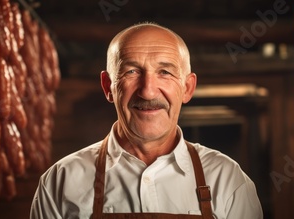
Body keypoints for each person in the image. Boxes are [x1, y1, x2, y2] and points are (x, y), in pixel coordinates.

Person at [30, 22, 263, 219]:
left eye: (165, 72)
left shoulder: (227, 178)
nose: (148, 91)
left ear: (187, 88)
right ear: (108, 87)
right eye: (131, 71)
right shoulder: (61, 182)